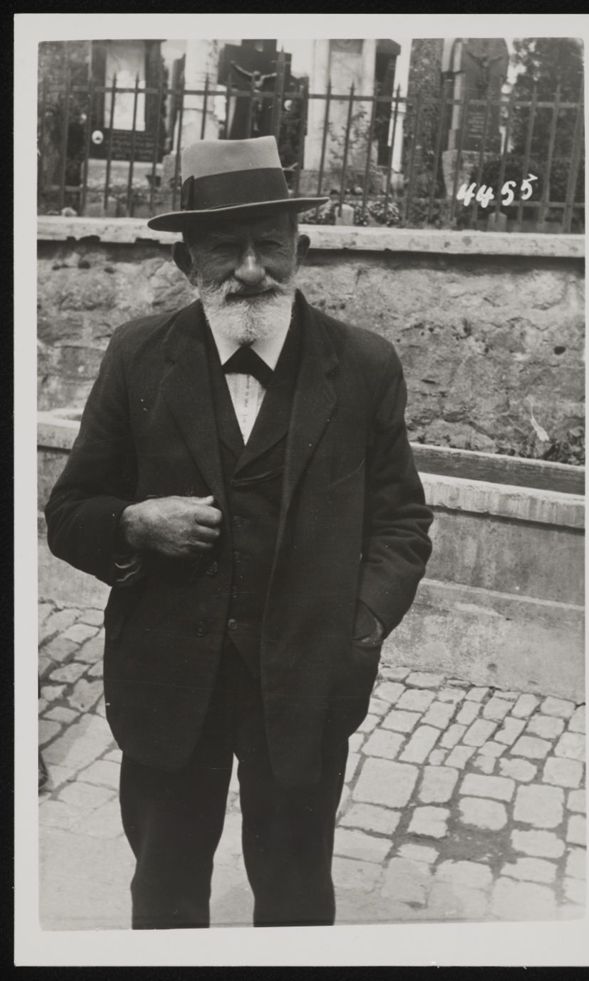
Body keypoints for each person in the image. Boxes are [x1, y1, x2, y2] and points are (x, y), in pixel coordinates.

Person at [45, 136, 434, 930]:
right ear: (187, 261)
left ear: (302, 250)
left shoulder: (364, 365)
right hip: (166, 677)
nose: (252, 270)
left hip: (305, 681)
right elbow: (70, 510)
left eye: (270, 245)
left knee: (295, 894)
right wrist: (132, 523)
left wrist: (358, 628)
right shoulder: (138, 356)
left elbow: (402, 522)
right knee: (165, 890)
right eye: (226, 248)